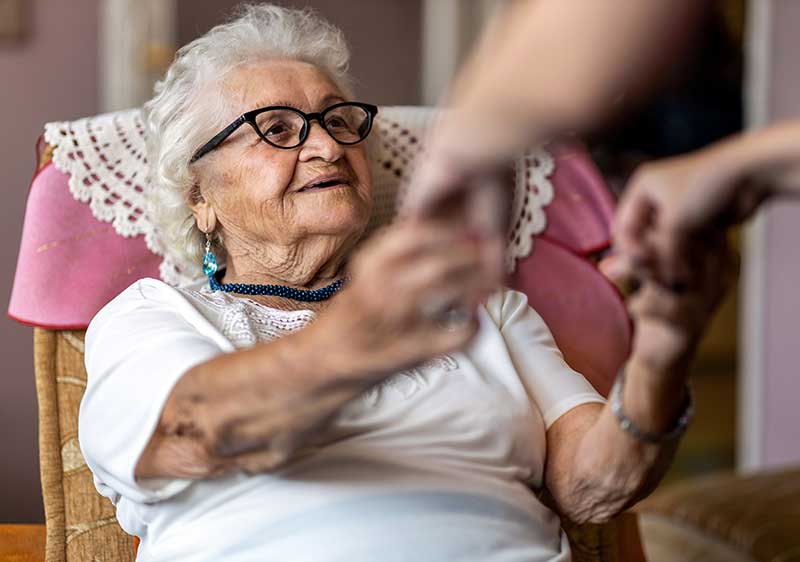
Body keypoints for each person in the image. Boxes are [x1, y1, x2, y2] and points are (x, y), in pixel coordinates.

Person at [78, 5, 729, 562]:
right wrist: (360, 339)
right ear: (201, 198)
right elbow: (195, 432)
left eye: (339, 122)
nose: (328, 148)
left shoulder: (485, 307)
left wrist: (662, 355)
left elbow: (594, 486)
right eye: (275, 129)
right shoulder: (152, 316)